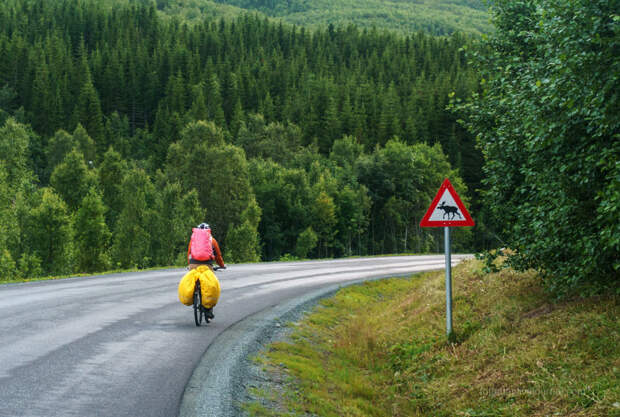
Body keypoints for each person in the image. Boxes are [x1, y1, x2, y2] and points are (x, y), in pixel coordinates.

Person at [187, 223, 226, 320]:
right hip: (207, 265)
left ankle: (193, 295)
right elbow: (218, 256)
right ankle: (208, 310)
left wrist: (190, 264)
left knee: (192, 281)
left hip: (193, 264)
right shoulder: (212, 240)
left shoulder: (193, 240)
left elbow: (189, 254)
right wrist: (222, 265)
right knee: (211, 285)